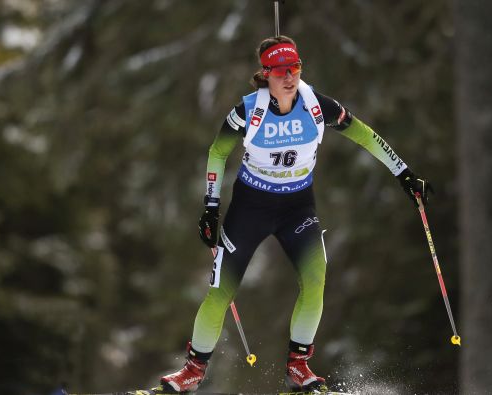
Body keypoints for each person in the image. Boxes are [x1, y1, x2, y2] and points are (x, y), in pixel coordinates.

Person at [159, 35, 432, 393]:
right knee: (220, 292)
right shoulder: (247, 111)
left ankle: (298, 367)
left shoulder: (317, 106)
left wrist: (404, 174)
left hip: (296, 207)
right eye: (281, 70)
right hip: (250, 207)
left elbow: (365, 135)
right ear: (266, 74)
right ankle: (192, 371)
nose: (290, 77)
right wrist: (211, 207)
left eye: (295, 68)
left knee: (315, 280)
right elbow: (216, 152)